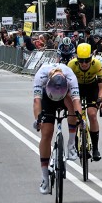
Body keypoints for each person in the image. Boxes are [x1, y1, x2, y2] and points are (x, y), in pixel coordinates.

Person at [32, 64, 82, 194]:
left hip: (65, 96)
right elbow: (37, 101)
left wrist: (80, 118)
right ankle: (44, 178)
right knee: (46, 133)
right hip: (48, 98)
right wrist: (38, 120)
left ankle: (71, 145)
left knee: (74, 112)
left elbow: (77, 101)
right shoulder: (40, 76)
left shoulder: (70, 76)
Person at [67, 43, 102, 161]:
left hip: (91, 88)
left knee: (92, 114)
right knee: (76, 117)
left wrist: (100, 99)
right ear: (77, 59)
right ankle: (76, 145)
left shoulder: (97, 64)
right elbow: (67, 87)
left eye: (87, 60)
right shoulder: (71, 65)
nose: (84, 64)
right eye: (81, 61)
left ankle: (95, 148)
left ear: (91, 58)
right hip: (76, 88)